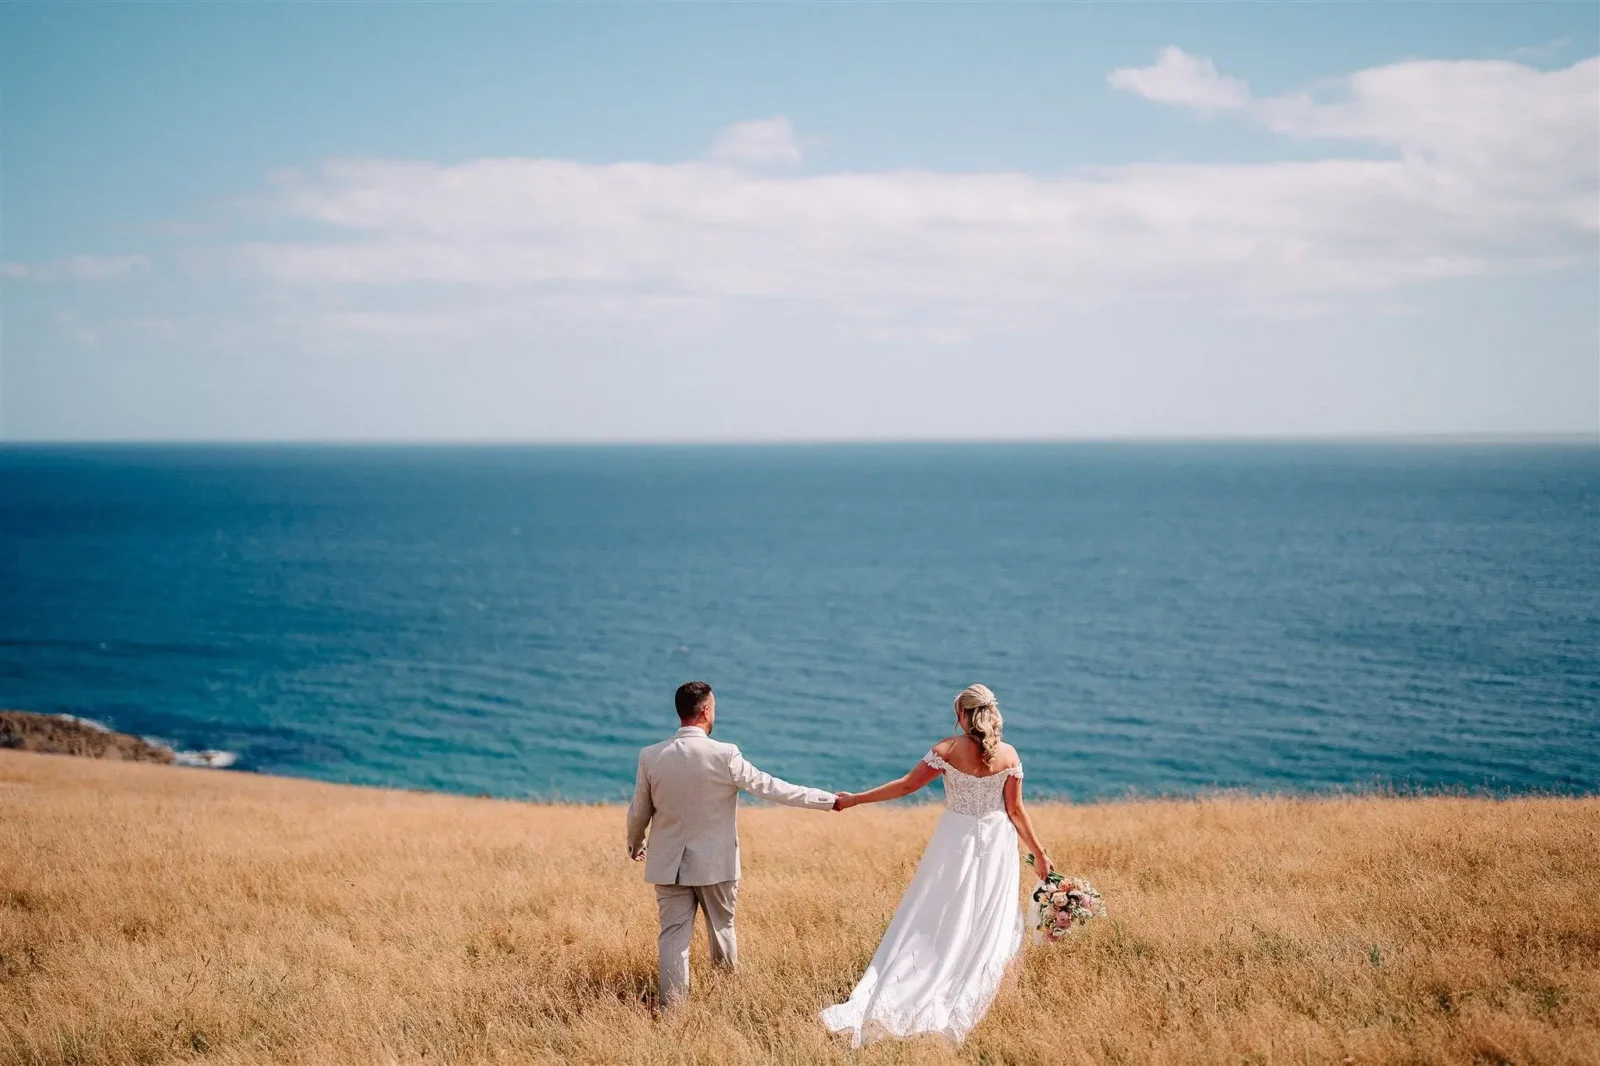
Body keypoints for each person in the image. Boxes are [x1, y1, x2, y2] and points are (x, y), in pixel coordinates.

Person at [820, 683, 1051, 1046]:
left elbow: (906, 786)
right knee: (990, 915)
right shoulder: (1008, 754)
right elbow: (1016, 811)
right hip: (996, 841)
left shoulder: (946, 749)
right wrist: (1039, 853)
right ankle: (972, 978)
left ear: (963, 715)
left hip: (954, 839)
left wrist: (854, 801)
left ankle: (925, 971)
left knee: (938, 909)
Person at [626, 681, 839, 1009]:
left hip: (667, 864)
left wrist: (635, 842)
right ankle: (725, 1002)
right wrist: (828, 800)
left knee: (672, 938)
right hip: (716, 864)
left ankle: (672, 1012)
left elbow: (640, 808)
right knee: (722, 931)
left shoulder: (651, 756)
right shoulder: (725, 754)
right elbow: (772, 788)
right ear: (706, 711)